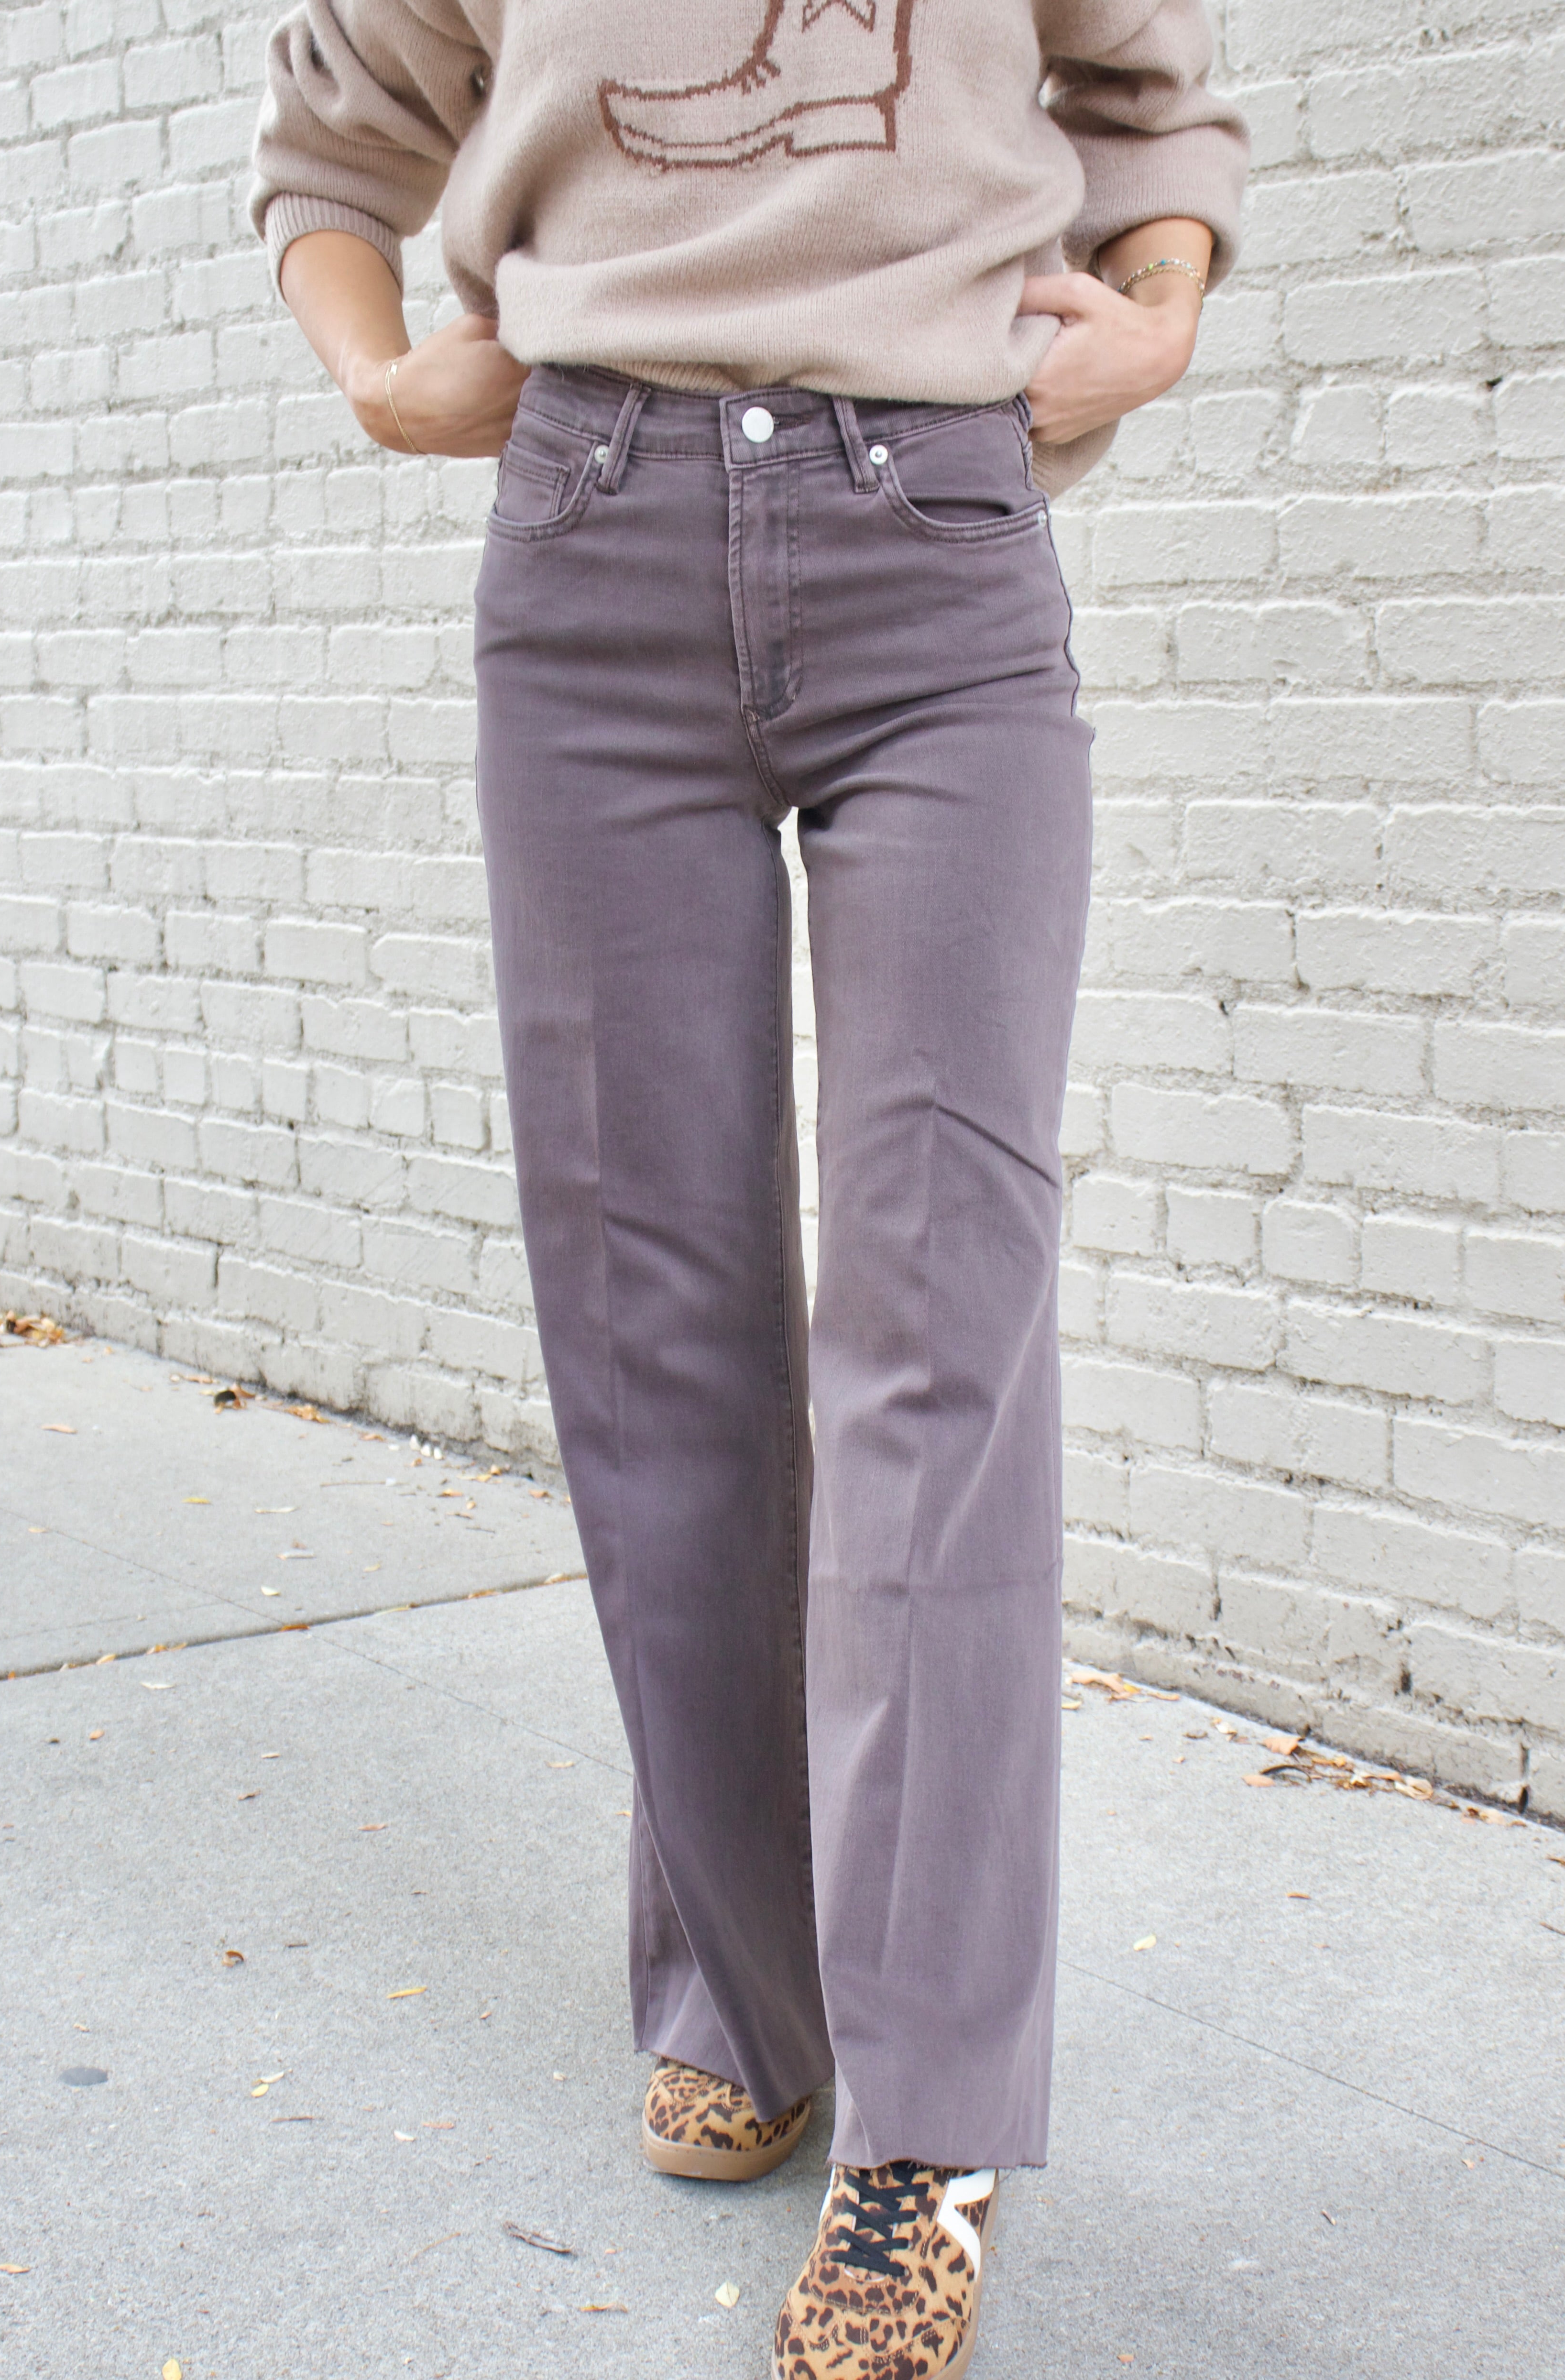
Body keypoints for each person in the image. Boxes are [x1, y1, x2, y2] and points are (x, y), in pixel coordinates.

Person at [251, 4, 1246, 2369]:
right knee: (654, 1334)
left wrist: (1163, 305)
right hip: (590, 541)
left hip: (941, 552)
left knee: (937, 1332)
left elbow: (1150, 96)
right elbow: (333, 143)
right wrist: (376, 374)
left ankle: (926, 2125)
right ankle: (745, 1985)